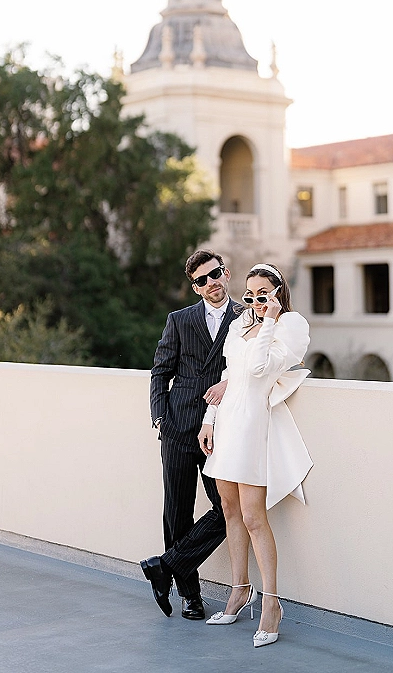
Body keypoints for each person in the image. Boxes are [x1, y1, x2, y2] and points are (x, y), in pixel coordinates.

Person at [198, 263, 312, 648]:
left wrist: (270, 318)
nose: (255, 301)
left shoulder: (291, 325)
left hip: (252, 424)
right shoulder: (239, 323)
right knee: (229, 510)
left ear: (277, 291)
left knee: (252, 516)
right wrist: (209, 418)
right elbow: (229, 373)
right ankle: (239, 589)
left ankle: (272, 603)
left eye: (262, 294)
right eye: (249, 295)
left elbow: (262, 367)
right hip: (227, 420)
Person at [140, 250, 243, 620]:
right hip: (179, 429)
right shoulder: (179, 320)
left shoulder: (247, 319)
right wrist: (160, 419)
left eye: (214, 274)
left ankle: (165, 566)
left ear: (226, 274)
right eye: (201, 280)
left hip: (224, 431)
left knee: (228, 509)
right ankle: (190, 596)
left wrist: (228, 383)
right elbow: (159, 371)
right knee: (177, 513)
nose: (210, 283)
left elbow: (251, 368)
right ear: (195, 287)